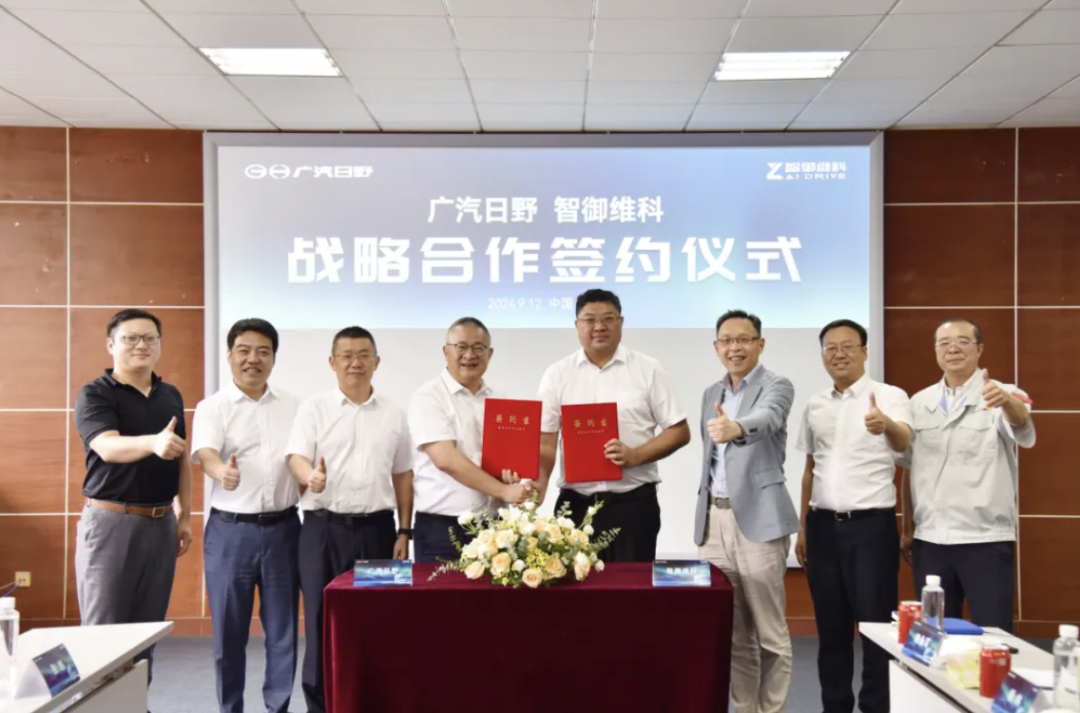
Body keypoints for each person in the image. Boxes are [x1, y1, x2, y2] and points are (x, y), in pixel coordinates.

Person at [285, 326, 414, 713]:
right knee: (320, 621)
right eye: (346, 356)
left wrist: (404, 530)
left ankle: (375, 703)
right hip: (322, 530)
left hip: (378, 530)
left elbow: (403, 475)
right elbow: (295, 457)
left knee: (379, 622)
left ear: (376, 362)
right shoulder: (314, 408)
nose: (355, 363)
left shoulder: (394, 414)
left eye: (363, 355)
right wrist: (310, 476)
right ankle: (321, 707)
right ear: (332, 362)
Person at [796, 319, 912, 713]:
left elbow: (904, 443)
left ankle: (876, 707)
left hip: (871, 528)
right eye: (830, 347)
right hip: (822, 527)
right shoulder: (815, 404)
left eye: (848, 346)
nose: (839, 354)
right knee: (831, 630)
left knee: (876, 627)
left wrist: (886, 425)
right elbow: (810, 469)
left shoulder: (889, 395)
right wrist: (803, 528)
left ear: (865, 351)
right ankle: (835, 706)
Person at [73, 308, 194, 685]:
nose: (141, 344)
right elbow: (107, 447)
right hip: (111, 523)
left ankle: (135, 703)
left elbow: (182, 459)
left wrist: (184, 515)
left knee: (146, 632)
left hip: (161, 524)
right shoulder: (96, 393)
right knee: (103, 632)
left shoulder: (170, 395)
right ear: (111, 345)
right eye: (130, 338)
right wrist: (153, 443)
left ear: (159, 345)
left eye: (150, 338)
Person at [192, 318, 300, 713]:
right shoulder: (213, 407)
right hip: (231, 532)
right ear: (229, 355)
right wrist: (221, 471)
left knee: (283, 632)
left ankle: (278, 708)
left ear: (273, 358)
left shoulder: (295, 406)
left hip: (284, 529)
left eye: (263, 352)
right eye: (244, 350)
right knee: (229, 632)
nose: (253, 359)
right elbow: (206, 453)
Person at [694, 309, 798, 713]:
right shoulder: (711, 393)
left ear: (760, 344)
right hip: (713, 522)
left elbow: (768, 418)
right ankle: (745, 708)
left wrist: (736, 428)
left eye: (743, 339)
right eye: (726, 340)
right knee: (734, 633)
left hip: (759, 520)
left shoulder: (777, 385)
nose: (734, 347)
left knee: (770, 634)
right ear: (716, 347)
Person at [902, 318, 1035, 632]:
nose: (953, 349)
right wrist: (908, 529)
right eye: (944, 343)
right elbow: (909, 468)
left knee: (993, 633)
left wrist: (1006, 403)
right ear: (936, 351)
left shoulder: (1004, 393)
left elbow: (1022, 424)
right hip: (931, 539)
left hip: (984, 538)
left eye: (963, 341)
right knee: (933, 635)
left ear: (979, 349)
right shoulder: (920, 402)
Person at [537, 289, 689, 563]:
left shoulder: (648, 369)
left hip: (632, 505)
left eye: (608, 318)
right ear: (577, 325)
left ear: (621, 322)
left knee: (632, 587)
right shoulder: (557, 374)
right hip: (575, 506)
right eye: (589, 320)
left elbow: (679, 431)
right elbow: (546, 442)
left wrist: (636, 456)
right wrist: (538, 487)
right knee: (572, 586)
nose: (599, 326)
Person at [409, 317, 535, 563]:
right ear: (446, 351)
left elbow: (505, 461)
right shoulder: (428, 397)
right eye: (461, 347)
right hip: (443, 531)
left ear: (490, 354)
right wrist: (503, 490)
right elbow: (446, 459)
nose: (469, 355)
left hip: (495, 528)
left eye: (478, 348)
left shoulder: (501, 400)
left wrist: (511, 477)